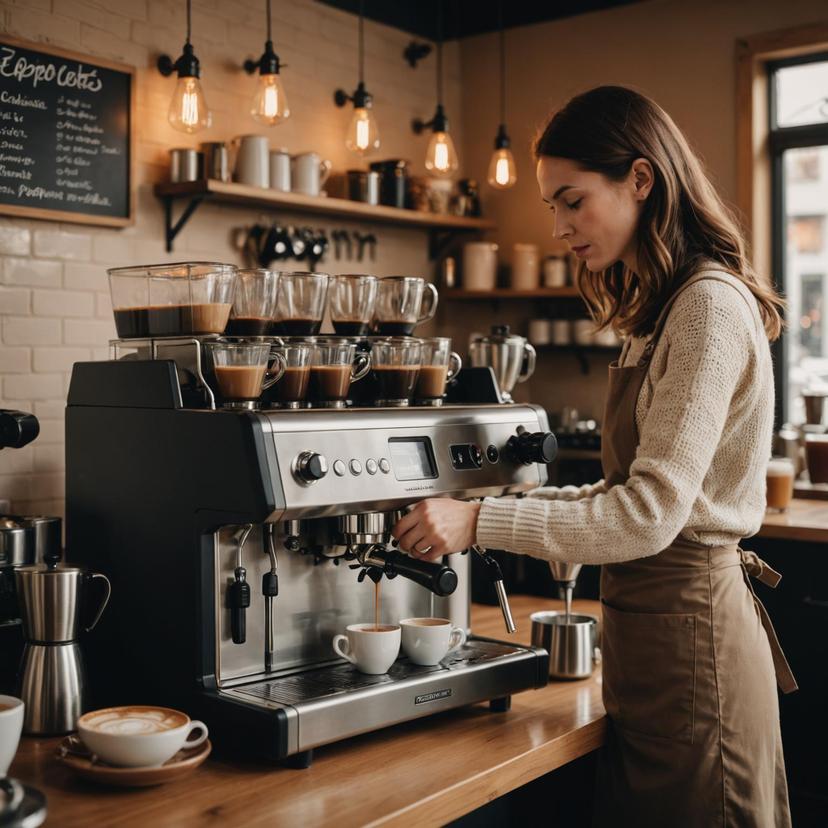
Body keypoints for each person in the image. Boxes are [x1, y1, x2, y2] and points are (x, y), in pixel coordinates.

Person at [392, 85, 797, 827]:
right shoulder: (662, 312)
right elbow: (620, 490)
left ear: (640, 180)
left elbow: (645, 517)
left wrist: (478, 524)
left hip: (696, 651)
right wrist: (481, 510)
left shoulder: (707, 307)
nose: (558, 227)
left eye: (572, 201)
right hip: (653, 652)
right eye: (553, 207)